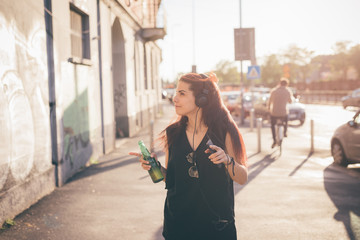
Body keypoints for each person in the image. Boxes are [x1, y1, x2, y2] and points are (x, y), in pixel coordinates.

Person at [129, 72, 248, 240]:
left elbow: (242, 177)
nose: (174, 98)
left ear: (202, 99)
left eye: (182, 93)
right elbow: (171, 179)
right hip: (178, 226)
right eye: (176, 93)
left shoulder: (224, 130)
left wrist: (227, 160)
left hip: (217, 228)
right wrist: (154, 166)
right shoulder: (173, 133)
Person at [267, 77, 294, 148]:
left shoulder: (274, 91)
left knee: (273, 125)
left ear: (280, 83)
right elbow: (290, 101)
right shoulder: (288, 91)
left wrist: (269, 108)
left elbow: (270, 101)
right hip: (283, 113)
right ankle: (285, 132)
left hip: (274, 112)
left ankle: (274, 140)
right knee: (286, 118)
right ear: (287, 84)